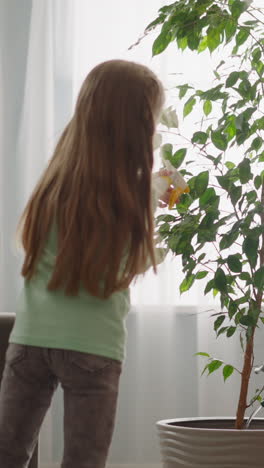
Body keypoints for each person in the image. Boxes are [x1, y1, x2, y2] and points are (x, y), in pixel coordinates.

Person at [0, 59, 170, 468]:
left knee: (7, 453)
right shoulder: (135, 194)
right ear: (139, 125)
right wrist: (160, 196)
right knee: (84, 460)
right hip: (93, 346)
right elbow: (129, 266)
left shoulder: (55, 181)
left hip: (30, 340)